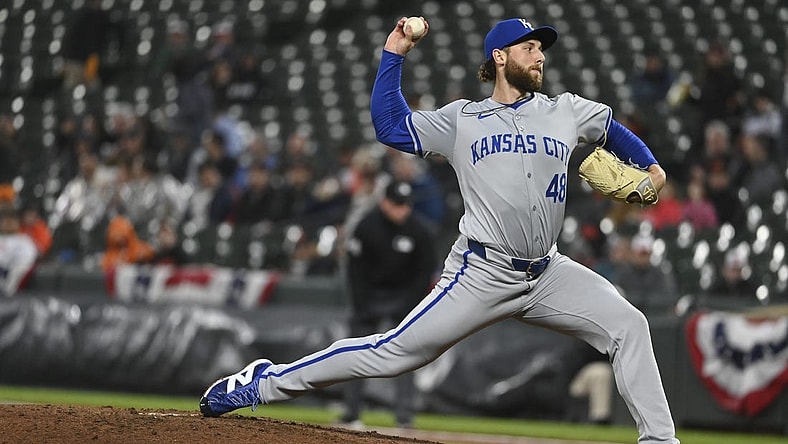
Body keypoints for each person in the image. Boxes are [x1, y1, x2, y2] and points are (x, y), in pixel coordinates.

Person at [200, 16, 679, 444]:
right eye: (529, 47)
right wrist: (394, 55)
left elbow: (612, 128)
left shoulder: (564, 109)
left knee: (629, 324)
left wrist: (652, 170)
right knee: (391, 354)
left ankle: (659, 440)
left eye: (541, 48)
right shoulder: (462, 120)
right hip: (482, 271)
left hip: (548, 272)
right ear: (500, 56)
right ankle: (262, 382)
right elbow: (391, 126)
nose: (539, 55)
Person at [338, 180, 436, 429]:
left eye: (406, 205)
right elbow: (354, 270)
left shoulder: (419, 231)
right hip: (369, 297)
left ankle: (404, 415)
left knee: (404, 357)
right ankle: (351, 413)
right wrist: (362, 304)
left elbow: (425, 272)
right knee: (355, 355)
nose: (402, 210)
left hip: (402, 299)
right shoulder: (367, 226)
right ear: (384, 203)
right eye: (397, 205)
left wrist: (407, 305)